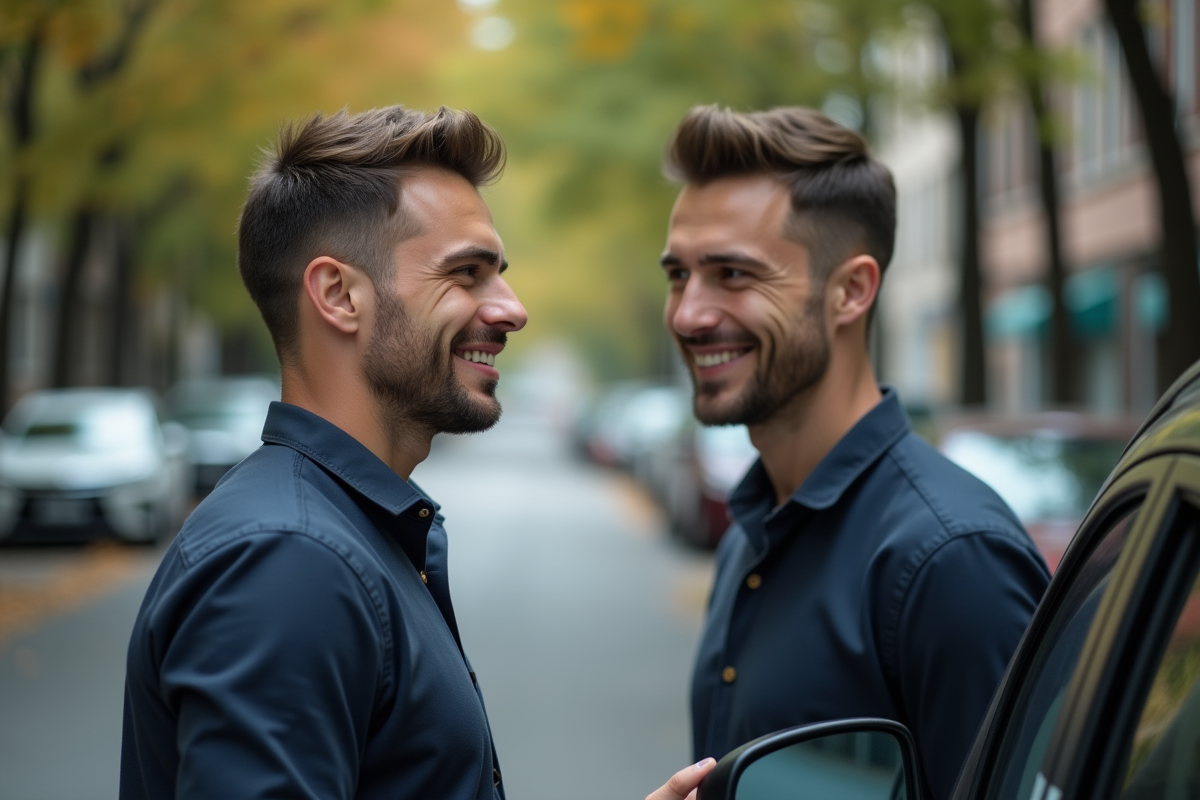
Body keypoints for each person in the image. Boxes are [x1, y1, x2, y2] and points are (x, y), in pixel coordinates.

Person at [119, 106, 714, 800]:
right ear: (339, 295)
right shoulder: (289, 559)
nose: (512, 308)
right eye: (467, 273)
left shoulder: (348, 534)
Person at [659, 104, 1051, 800]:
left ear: (851, 290)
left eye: (733, 275)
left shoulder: (951, 560)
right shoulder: (751, 534)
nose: (689, 313)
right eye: (679, 274)